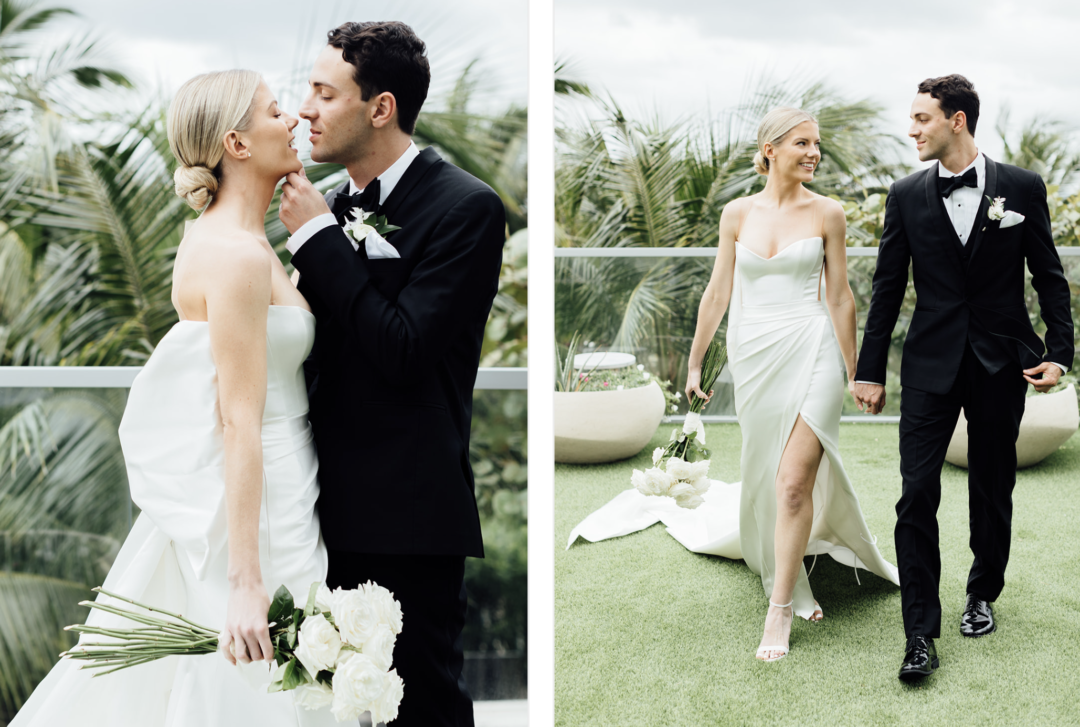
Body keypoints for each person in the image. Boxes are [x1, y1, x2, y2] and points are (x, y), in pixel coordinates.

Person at [12, 71, 337, 725]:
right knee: (271, 686)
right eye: (277, 111)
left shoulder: (235, 241)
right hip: (265, 505)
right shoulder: (237, 256)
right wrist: (247, 582)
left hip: (283, 483)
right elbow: (237, 418)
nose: (294, 120)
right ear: (237, 143)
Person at [565, 107, 899, 663]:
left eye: (817, 144)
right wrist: (695, 364)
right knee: (766, 472)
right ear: (770, 149)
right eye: (802, 143)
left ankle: (781, 606)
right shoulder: (736, 213)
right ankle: (785, 567)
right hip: (755, 355)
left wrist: (855, 370)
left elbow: (839, 297)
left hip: (812, 347)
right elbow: (718, 293)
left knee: (793, 481)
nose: (814, 152)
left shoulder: (830, 214)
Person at [277, 21, 505, 726]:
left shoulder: (466, 207)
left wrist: (317, 241)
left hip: (406, 516)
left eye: (323, 92)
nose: (305, 109)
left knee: (423, 702)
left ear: (380, 107)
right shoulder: (332, 203)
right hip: (315, 508)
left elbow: (404, 349)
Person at [853, 74, 1073, 683]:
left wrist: (1061, 351)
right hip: (928, 363)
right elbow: (887, 288)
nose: (912, 129)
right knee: (916, 491)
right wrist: (870, 371)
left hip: (1003, 361)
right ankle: (919, 633)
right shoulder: (904, 194)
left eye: (922, 118)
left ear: (957, 121)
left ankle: (982, 594)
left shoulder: (1022, 188)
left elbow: (1048, 276)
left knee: (992, 483)